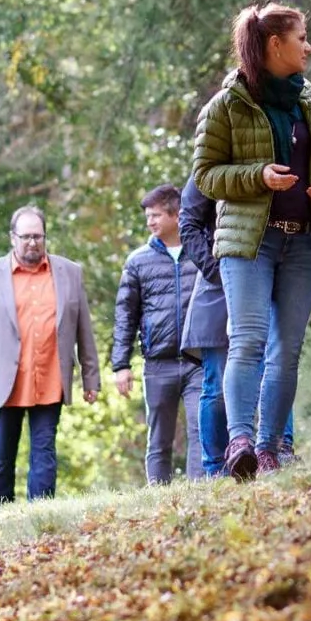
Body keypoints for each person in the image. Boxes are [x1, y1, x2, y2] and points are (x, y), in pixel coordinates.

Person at [192, 2, 311, 481]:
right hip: (248, 245)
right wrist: (258, 176)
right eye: (301, 37)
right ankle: (240, 441)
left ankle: (269, 450)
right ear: (274, 44)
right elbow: (205, 176)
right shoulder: (226, 105)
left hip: (303, 244)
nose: (309, 45)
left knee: (287, 350)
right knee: (248, 341)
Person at [0, 205, 101, 503]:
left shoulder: (69, 272)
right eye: (25, 237)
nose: (32, 242)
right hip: (3, 380)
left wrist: (91, 378)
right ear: (12, 238)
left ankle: (40, 515)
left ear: (46, 237)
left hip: (50, 376)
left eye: (38, 236)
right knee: (1, 455)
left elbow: (83, 328)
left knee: (45, 451)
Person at [180, 173, 296, 478]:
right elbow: (189, 224)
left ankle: (280, 448)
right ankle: (216, 466)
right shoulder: (210, 167)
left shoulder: (282, 157)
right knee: (217, 380)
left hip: (272, 273)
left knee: (277, 362)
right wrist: (217, 271)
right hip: (220, 277)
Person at [111, 184, 201, 485]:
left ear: (177, 216)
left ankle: (200, 492)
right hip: (158, 363)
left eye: (156, 215)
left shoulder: (201, 252)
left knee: (200, 430)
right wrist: (121, 365)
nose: (150, 221)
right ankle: (158, 496)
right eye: (148, 216)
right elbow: (126, 316)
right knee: (158, 437)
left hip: (198, 360)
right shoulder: (138, 261)